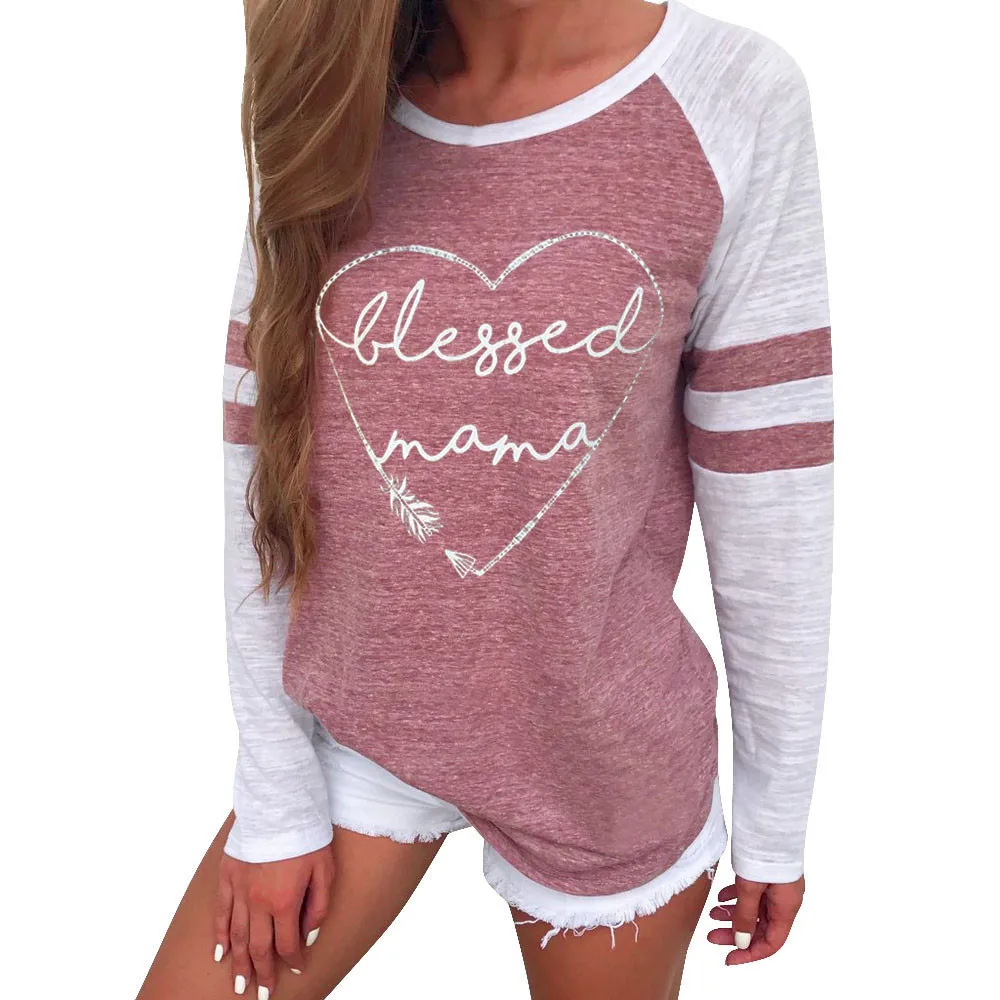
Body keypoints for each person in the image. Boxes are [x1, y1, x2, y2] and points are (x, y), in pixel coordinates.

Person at [138, 0, 834, 997]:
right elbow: (256, 467)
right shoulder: (336, 92)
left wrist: (774, 817)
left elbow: (772, 491)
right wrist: (275, 797)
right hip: (358, 729)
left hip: (598, 756)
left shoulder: (730, 96)